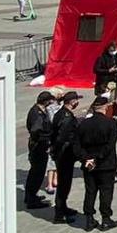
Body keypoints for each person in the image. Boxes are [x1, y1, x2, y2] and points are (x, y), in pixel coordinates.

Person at [74, 96, 117, 231]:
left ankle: (89, 219)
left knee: (90, 191)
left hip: (88, 164)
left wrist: (86, 159)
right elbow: (110, 145)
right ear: (105, 107)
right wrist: (97, 158)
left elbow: (77, 145)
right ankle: (106, 219)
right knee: (106, 191)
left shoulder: (83, 124)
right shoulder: (110, 123)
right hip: (106, 164)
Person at [50, 91, 83, 224]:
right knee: (64, 184)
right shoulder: (67, 117)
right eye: (76, 100)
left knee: (65, 183)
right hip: (64, 155)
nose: (77, 103)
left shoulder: (61, 113)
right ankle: (59, 214)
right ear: (72, 102)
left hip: (62, 154)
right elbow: (61, 138)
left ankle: (63, 207)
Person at [23, 91, 57, 209]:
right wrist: (47, 138)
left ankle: (31, 195)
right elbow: (36, 131)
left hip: (39, 145)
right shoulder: (37, 113)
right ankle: (32, 199)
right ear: (46, 101)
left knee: (36, 172)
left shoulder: (40, 111)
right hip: (38, 147)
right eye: (50, 100)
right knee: (37, 173)